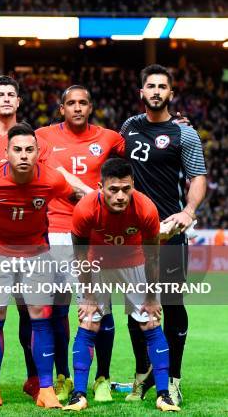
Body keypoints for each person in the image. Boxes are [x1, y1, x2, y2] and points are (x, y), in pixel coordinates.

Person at [0, 77, 93, 404]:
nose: (5, 99)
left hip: (31, 243)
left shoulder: (37, 139)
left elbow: (61, 178)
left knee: (31, 310)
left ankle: (36, 379)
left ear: (18, 101)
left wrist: (94, 195)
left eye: (11, 94)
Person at [120, 64, 207, 405]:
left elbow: (197, 176)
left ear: (171, 94)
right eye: (150, 86)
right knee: (134, 305)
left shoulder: (184, 133)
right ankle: (143, 373)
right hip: (132, 233)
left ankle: (172, 378)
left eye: (162, 87)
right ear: (141, 92)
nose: (156, 91)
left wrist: (188, 211)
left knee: (172, 303)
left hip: (169, 232)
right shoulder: (128, 127)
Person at [65, 158, 179, 412]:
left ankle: (163, 394)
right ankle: (79, 394)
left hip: (134, 262)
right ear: (100, 187)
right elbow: (81, 256)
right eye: (113, 189)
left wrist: (151, 297)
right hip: (96, 263)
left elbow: (152, 257)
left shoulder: (146, 209)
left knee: (150, 321)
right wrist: (88, 296)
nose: (120, 196)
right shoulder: (85, 209)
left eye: (126, 189)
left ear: (133, 186)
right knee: (89, 320)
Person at [34, 85, 125, 402]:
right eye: (70, 103)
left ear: (91, 107)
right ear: (61, 108)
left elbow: (142, 153)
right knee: (56, 310)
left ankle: (102, 377)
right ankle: (62, 377)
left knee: (102, 308)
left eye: (83, 103)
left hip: (95, 236)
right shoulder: (42, 136)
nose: (77, 107)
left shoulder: (110, 138)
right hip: (56, 231)